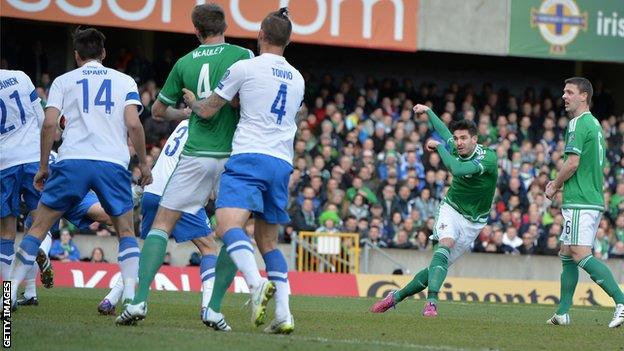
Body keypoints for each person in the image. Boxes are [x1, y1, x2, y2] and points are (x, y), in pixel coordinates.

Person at [116, 3, 253, 330]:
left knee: (162, 224)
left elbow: (159, 111)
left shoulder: (183, 63)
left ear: (195, 31)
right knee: (233, 231)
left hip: (196, 153)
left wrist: (189, 111)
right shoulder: (242, 55)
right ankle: (213, 309)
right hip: (233, 153)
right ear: (225, 25)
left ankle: (137, 302)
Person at [8, 27, 151, 310]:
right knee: (125, 231)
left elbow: (49, 124)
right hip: (112, 163)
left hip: (72, 161)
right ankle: (133, 302)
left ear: (76, 55)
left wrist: (43, 167)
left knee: (37, 229)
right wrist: (144, 165)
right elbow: (134, 124)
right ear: (104, 53)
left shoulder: (63, 81)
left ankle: (7, 299)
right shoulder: (124, 81)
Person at [182, 7, 304, 334]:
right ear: (288, 41)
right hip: (281, 162)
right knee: (268, 244)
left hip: (249, 155)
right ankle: (284, 314)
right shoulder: (297, 77)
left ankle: (254, 284)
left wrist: (193, 101)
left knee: (226, 226)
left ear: (260, 36)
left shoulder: (244, 67)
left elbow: (208, 110)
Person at [370, 104, 498, 317]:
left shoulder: (488, 158)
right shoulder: (455, 146)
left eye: (463, 138)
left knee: (435, 270)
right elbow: (444, 131)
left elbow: (456, 169)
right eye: (456, 139)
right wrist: (428, 111)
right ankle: (431, 303)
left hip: (474, 222)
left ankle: (395, 297)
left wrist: (439, 147)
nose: (458, 142)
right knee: (444, 244)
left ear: (474, 139)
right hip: (451, 208)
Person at [544, 77, 623, 328]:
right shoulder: (594, 124)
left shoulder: (578, 123)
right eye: (563, 91)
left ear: (583, 96)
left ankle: (621, 301)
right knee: (567, 253)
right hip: (589, 197)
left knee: (578, 253)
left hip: (581, 200)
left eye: (569, 92)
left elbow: (573, 163)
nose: (564, 96)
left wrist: (554, 185)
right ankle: (563, 313)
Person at [0, 68, 45, 282]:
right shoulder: (21, 77)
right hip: (32, 158)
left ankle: (7, 299)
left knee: (6, 235)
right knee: (39, 225)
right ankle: (34, 258)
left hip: (4, 164)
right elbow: (42, 118)